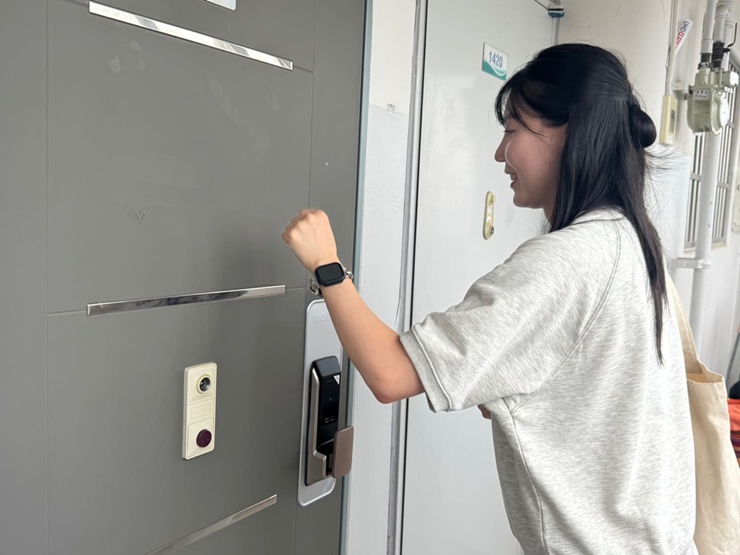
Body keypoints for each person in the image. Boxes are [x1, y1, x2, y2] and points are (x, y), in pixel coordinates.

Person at [283, 44, 696, 555]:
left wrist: (328, 267)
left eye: (512, 130)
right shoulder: (631, 240)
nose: (501, 154)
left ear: (570, 131)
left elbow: (390, 374)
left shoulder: (567, 261)